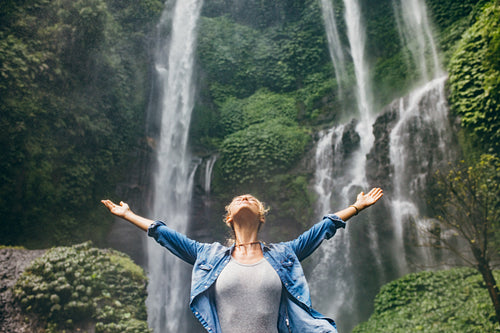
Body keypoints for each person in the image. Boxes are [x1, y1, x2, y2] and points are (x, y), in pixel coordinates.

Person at [101, 187, 383, 333]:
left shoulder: (285, 254)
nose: (244, 197)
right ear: (228, 217)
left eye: (250, 198)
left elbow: (322, 229)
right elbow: (164, 234)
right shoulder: (208, 255)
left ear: (261, 216)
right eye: (238, 198)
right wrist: (128, 215)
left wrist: (357, 206)